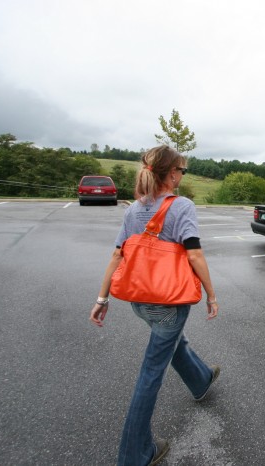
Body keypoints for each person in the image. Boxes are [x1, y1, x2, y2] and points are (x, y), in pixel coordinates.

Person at [89, 145, 220, 466]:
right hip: (169, 301)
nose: (182, 176)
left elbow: (117, 255)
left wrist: (102, 298)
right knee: (151, 372)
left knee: (171, 340)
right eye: (182, 171)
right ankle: (136, 454)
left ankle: (201, 378)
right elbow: (194, 254)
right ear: (172, 173)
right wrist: (212, 295)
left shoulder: (133, 210)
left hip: (138, 299)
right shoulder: (181, 206)